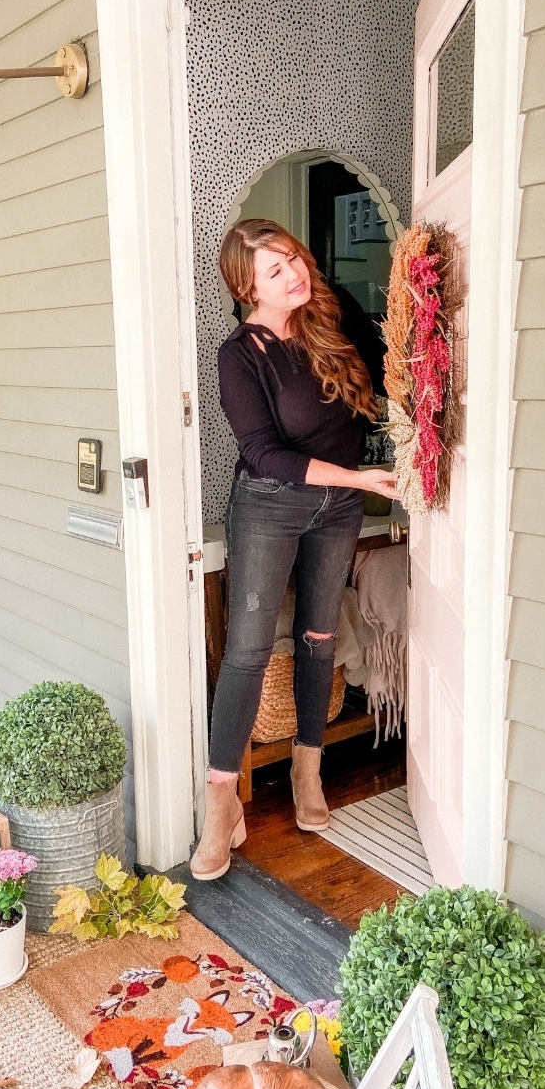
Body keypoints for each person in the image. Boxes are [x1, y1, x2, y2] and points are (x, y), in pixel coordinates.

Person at [191, 218, 397, 880]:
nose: (294, 274)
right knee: (249, 648)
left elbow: (393, 376)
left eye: (293, 259)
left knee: (319, 635)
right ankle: (220, 805)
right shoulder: (240, 354)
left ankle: (309, 772)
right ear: (247, 284)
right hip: (269, 506)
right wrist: (357, 478)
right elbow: (265, 453)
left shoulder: (330, 321)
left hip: (337, 507)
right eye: (275, 269)